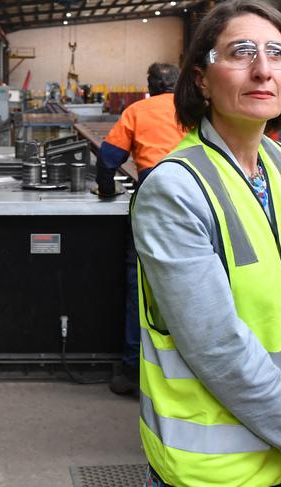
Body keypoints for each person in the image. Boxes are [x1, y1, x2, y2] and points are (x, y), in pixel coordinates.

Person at [130, 1, 281, 486]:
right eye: (240, 52)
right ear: (201, 78)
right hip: (219, 472)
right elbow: (217, 347)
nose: (262, 70)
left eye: (276, 53)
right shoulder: (175, 190)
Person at [95, 63, 186, 395]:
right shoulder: (200, 110)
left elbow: (107, 160)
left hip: (154, 200)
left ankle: (133, 370)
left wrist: (106, 191)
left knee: (141, 286)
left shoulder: (137, 111)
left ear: (150, 85)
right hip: (201, 199)